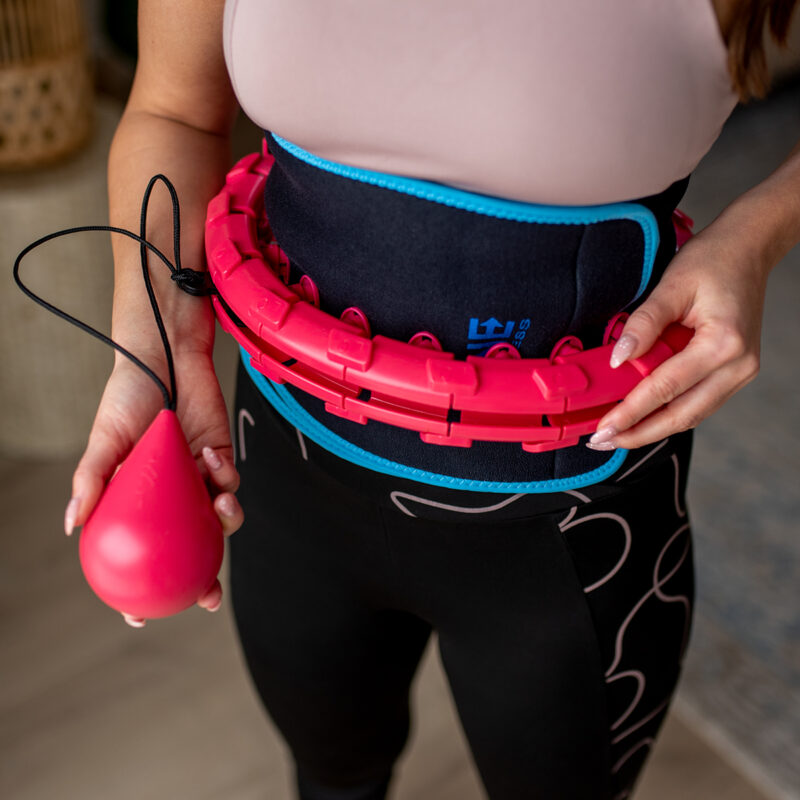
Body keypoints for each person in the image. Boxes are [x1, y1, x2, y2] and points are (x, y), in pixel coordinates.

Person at [63, 1, 800, 798]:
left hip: (571, 529)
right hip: (286, 469)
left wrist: (757, 232)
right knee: (331, 777)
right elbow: (174, 110)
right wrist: (155, 351)